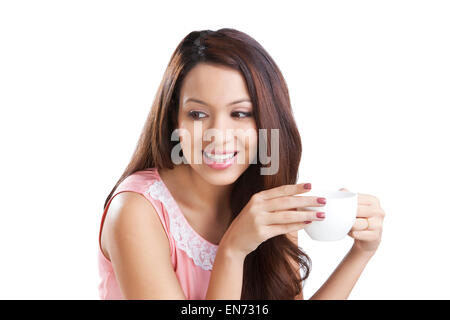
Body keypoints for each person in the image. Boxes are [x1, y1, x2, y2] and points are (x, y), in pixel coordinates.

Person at [97, 28, 385, 300]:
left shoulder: (265, 198)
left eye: (240, 113)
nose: (219, 136)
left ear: (268, 120)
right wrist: (232, 251)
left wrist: (360, 253)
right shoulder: (136, 211)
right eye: (197, 114)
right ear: (175, 120)